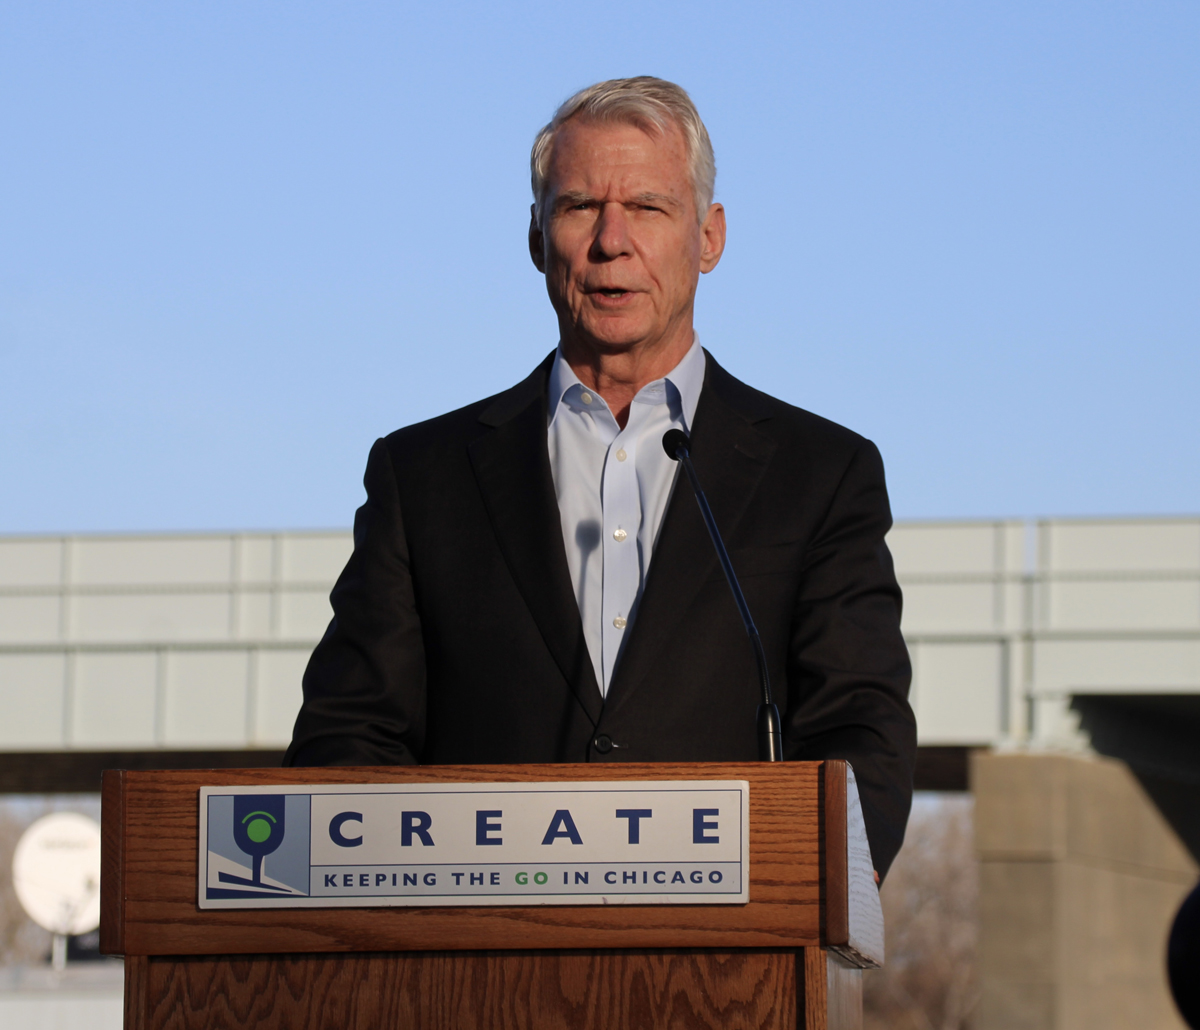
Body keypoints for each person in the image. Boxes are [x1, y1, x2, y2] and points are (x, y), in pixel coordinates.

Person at [285, 77, 917, 879]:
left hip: (727, 980)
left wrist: (810, 893)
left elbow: (861, 735)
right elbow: (349, 738)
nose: (611, 240)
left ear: (709, 237)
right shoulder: (422, 477)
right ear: (537, 238)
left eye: (649, 208)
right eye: (581, 206)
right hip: (477, 978)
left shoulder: (822, 474)